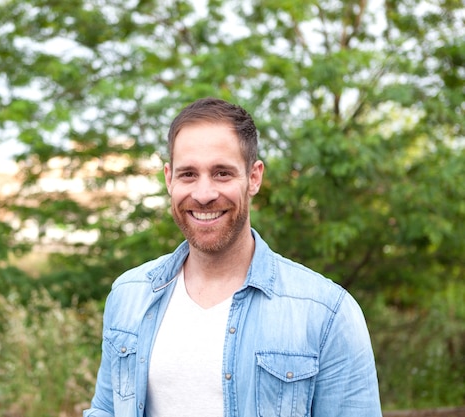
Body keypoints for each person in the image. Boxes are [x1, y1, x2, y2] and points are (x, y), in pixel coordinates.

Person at [83, 97, 382, 417]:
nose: (204, 194)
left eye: (222, 173)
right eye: (188, 174)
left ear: (254, 177)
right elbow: (106, 409)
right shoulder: (129, 294)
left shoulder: (327, 313)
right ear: (169, 178)